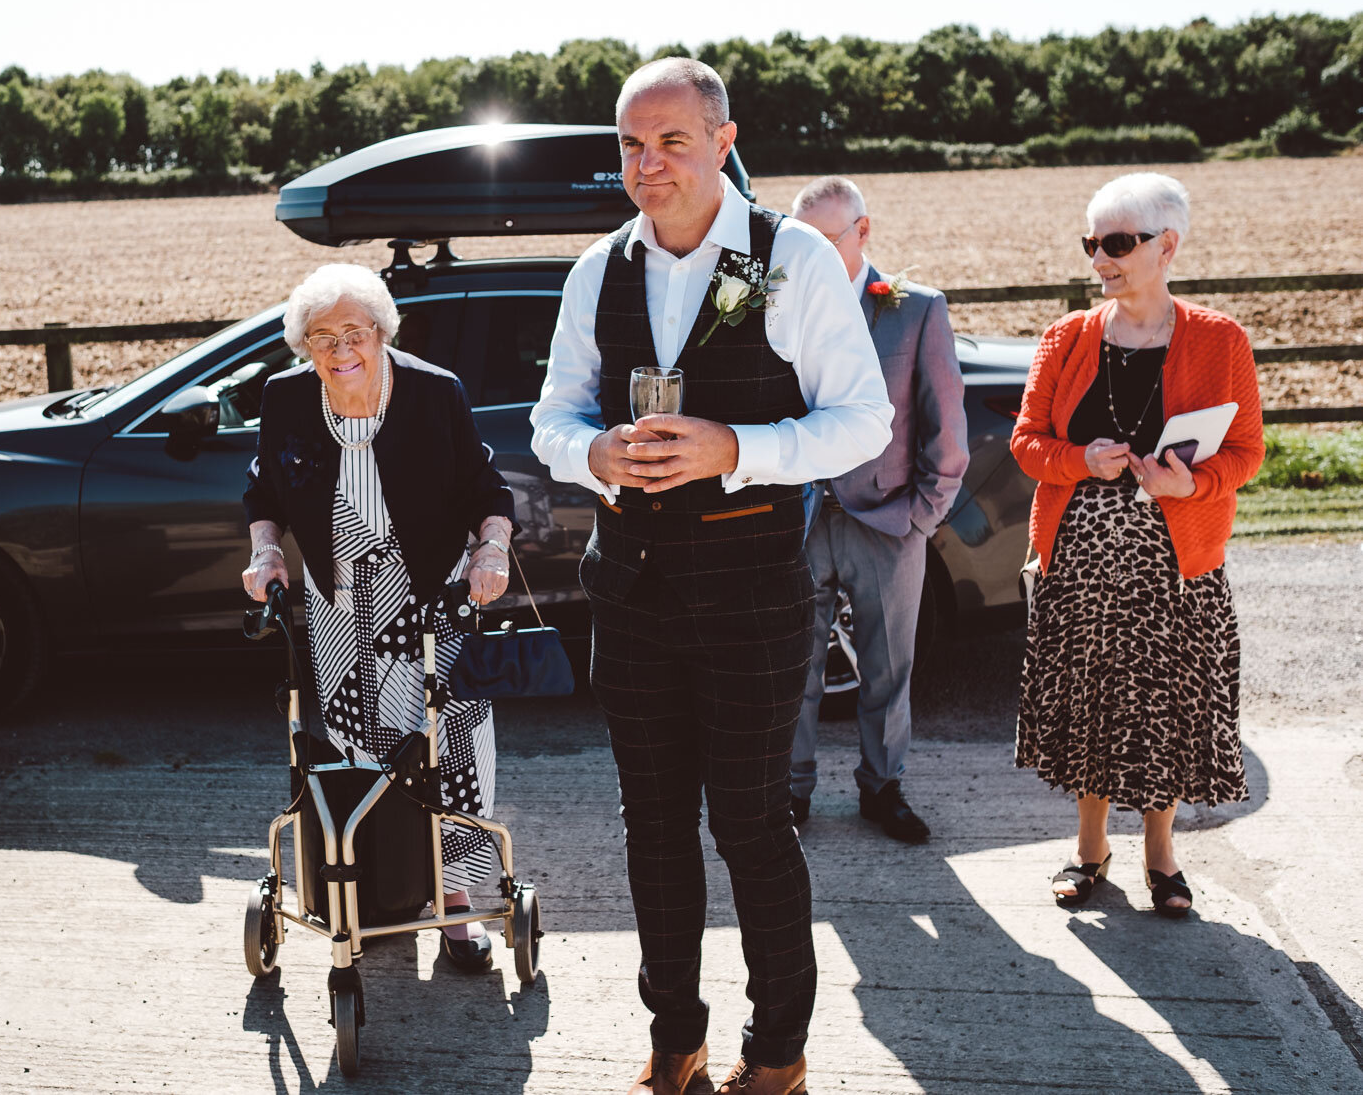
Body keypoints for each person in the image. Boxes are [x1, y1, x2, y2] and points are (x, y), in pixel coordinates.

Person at [531, 58, 893, 1095]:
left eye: (673, 141)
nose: (649, 164)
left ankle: (777, 1052)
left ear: (724, 142)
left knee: (748, 824)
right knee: (651, 828)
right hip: (632, 592)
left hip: (754, 594)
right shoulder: (597, 269)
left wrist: (735, 445)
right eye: (631, 145)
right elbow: (551, 415)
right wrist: (592, 454)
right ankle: (672, 1042)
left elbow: (860, 420)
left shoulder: (793, 258)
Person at [241, 263, 518, 970]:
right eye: (322, 337)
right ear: (304, 345)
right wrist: (266, 552)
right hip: (339, 607)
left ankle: (456, 903)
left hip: (431, 600)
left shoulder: (432, 393)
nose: (340, 351)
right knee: (355, 746)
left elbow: (487, 488)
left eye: (354, 333)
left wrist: (491, 551)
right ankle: (371, 887)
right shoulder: (288, 398)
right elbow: (263, 490)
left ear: (381, 332)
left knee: (450, 743)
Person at [1010, 173, 1264, 918]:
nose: (1102, 260)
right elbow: (1027, 443)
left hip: (1175, 569)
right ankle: (1090, 851)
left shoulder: (1221, 339)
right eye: (1094, 243)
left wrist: (1190, 487)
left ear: (1167, 246)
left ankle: (1162, 856)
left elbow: (1246, 452)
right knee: (1091, 705)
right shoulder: (1067, 338)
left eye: (1119, 243)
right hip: (1081, 564)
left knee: (1166, 711)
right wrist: (1079, 461)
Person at [786, 177, 969, 842]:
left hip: (888, 521)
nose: (805, 255)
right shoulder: (778, 307)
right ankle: (792, 791)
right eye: (796, 240)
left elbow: (945, 426)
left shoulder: (915, 310)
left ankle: (883, 788)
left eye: (822, 239)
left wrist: (922, 515)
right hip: (798, 522)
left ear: (863, 232)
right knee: (791, 669)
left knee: (888, 669)